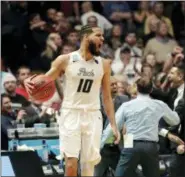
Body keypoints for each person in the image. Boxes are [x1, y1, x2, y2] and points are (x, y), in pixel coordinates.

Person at [24, 25, 120, 177]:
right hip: (71, 113)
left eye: (103, 36)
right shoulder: (65, 60)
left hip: (93, 114)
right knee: (70, 164)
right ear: (85, 37)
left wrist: (113, 124)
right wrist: (29, 81)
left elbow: (107, 97)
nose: (102, 39)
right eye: (98, 35)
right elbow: (45, 81)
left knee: (89, 166)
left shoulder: (104, 64)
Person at [101, 77, 180, 177]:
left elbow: (112, 127)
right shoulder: (159, 105)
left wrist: (100, 144)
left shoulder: (127, 105)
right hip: (151, 146)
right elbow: (175, 120)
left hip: (131, 144)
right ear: (151, 89)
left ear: (137, 89)